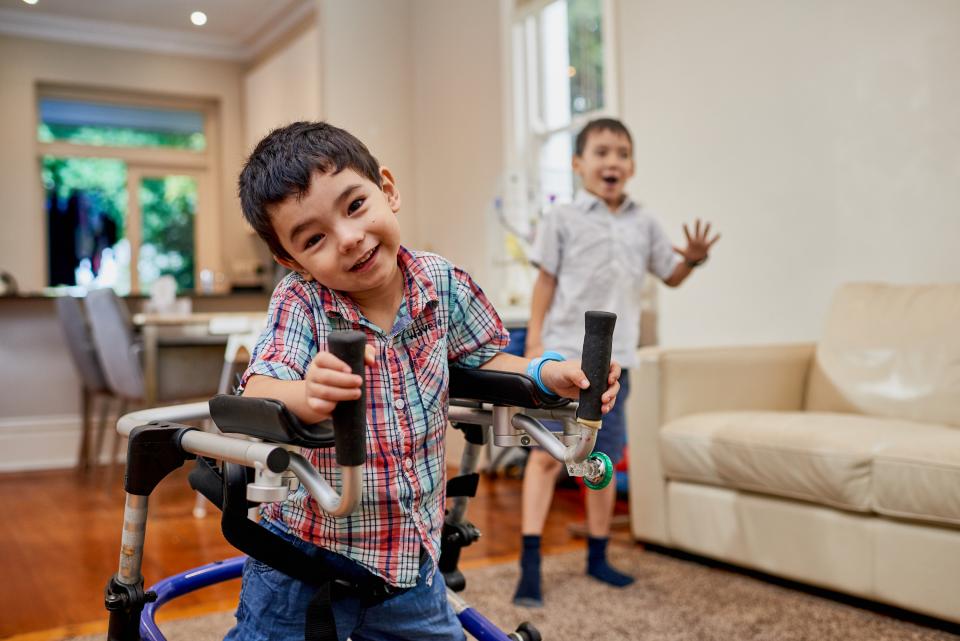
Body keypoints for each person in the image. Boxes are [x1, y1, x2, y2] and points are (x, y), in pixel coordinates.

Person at [226, 121, 622, 641]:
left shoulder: (441, 281)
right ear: (289, 258)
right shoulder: (302, 301)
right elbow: (258, 388)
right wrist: (306, 393)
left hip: (409, 564)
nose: (348, 239)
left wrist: (550, 374)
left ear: (387, 190)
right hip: (303, 562)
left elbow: (486, 360)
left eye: (355, 206)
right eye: (315, 238)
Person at [513, 118, 720, 607]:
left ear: (632, 165)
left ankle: (599, 556)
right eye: (601, 152)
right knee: (546, 458)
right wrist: (535, 346)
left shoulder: (644, 222)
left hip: (615, 363)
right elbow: (545, 283)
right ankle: (529, 562)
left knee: (598, 462)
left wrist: (690, 259)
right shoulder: (561, 219)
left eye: (622, 153)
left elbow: (670, 276)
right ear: (578, 164)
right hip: (561, 355)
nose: (613, 162)